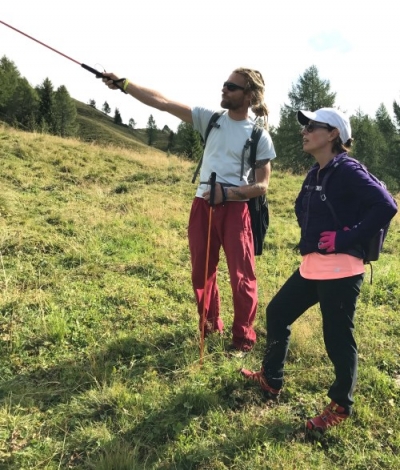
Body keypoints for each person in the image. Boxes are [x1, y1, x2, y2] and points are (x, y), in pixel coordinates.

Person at [241, 108, 397, 432]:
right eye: (305, 126)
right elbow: (301, 206)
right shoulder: (316, 172)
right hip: (313, 266)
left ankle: (341, 405)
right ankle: (271, 379)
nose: (305, 131)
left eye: (312, 126)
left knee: (338, 339)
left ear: (333, 135)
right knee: (279, 312)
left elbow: (386, 205)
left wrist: (345, 236)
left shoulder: (348, 169)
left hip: (341, 271)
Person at [103, 68, 277, 352]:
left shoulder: (259, 136)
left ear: (249, 95)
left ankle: (243, 339)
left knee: (242, 277)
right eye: (224, 84)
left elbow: (262, 186)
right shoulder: (210, 120)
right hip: (202, 206)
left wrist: (228, 193)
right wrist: (125, 85)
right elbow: (163, 102)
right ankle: (210, 327)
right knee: (201, 273)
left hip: (235, 213)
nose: (224, 89)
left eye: (231, 86)